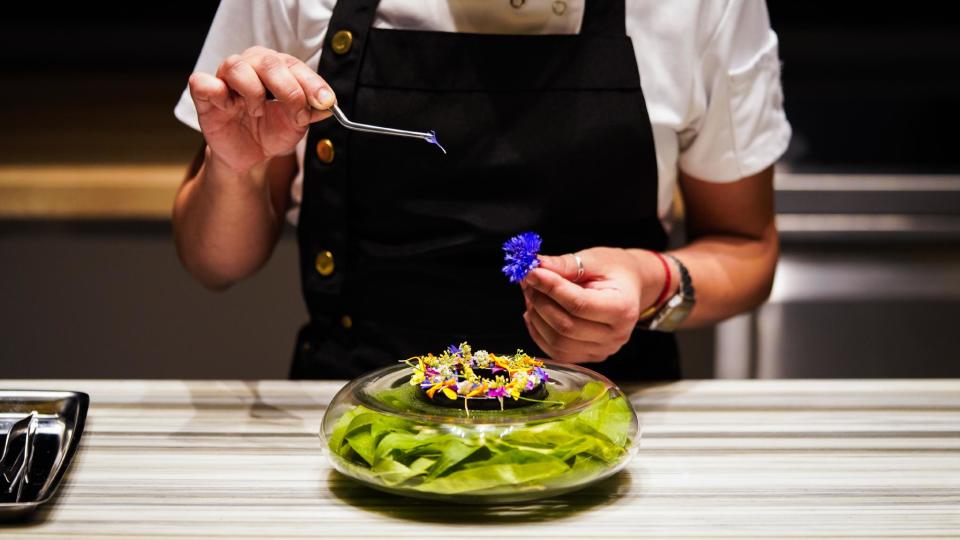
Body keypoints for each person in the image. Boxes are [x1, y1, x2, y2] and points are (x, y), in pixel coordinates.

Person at [172, 0, 790, 380]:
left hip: (605, 424)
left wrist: (649, 280)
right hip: (362, 426)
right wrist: (235, 167)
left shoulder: (704, 6)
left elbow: (746, 247)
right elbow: (214, 262)